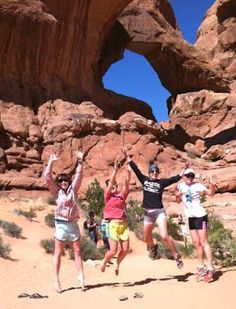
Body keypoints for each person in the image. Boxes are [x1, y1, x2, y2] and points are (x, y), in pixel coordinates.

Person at [125, 151, 185, 268]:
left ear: (158, 173)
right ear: (149, 173)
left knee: (164, 236)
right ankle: (153, 247)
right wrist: (126, 156)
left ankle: (176, 256)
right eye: (152, 171)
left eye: (156, 171)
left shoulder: (161, 183)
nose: (154, 173)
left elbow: (175, 178)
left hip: (159, 212)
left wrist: (185, 168)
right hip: (148, 214)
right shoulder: (145, 180)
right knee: (146, 238)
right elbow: (135, 169)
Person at [44, 150, 85, 293]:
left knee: (78, 252)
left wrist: (80, 161)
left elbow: (79, 176)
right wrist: (51, 162)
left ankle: (81, 277)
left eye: (65, 180)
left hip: (73, 224)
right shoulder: (56, 192)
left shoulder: (73, 190)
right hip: (60, 224)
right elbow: (47, 177)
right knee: (58, 252)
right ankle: (56, 280)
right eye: (60, 180)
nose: (63, 182)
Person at [175, 168, 217, 282]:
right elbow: (178, 201)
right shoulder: (180, 186)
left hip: (201, 217)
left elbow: (211, 194)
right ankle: (201, 266)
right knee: (196, 243)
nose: (189, 178)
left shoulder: (198, 186)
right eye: (187, 175)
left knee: (204, 241)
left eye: (191, 176)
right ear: (183, 176)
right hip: (191, 218)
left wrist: (212, 185)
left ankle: (210, 266)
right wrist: (178, 196)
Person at [100, 162, 131, 275]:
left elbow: (126, 186)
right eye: (110, 185)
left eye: (114, 185)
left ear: (117, 186)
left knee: (125, 250)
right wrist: (115, 170)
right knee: (113, 251)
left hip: (123, 225)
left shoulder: (121, 195)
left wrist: (128, 173)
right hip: (112, 225)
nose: (112, 186)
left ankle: (117, 264)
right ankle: (104, 262)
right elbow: (111, 183)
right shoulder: (107, 196)